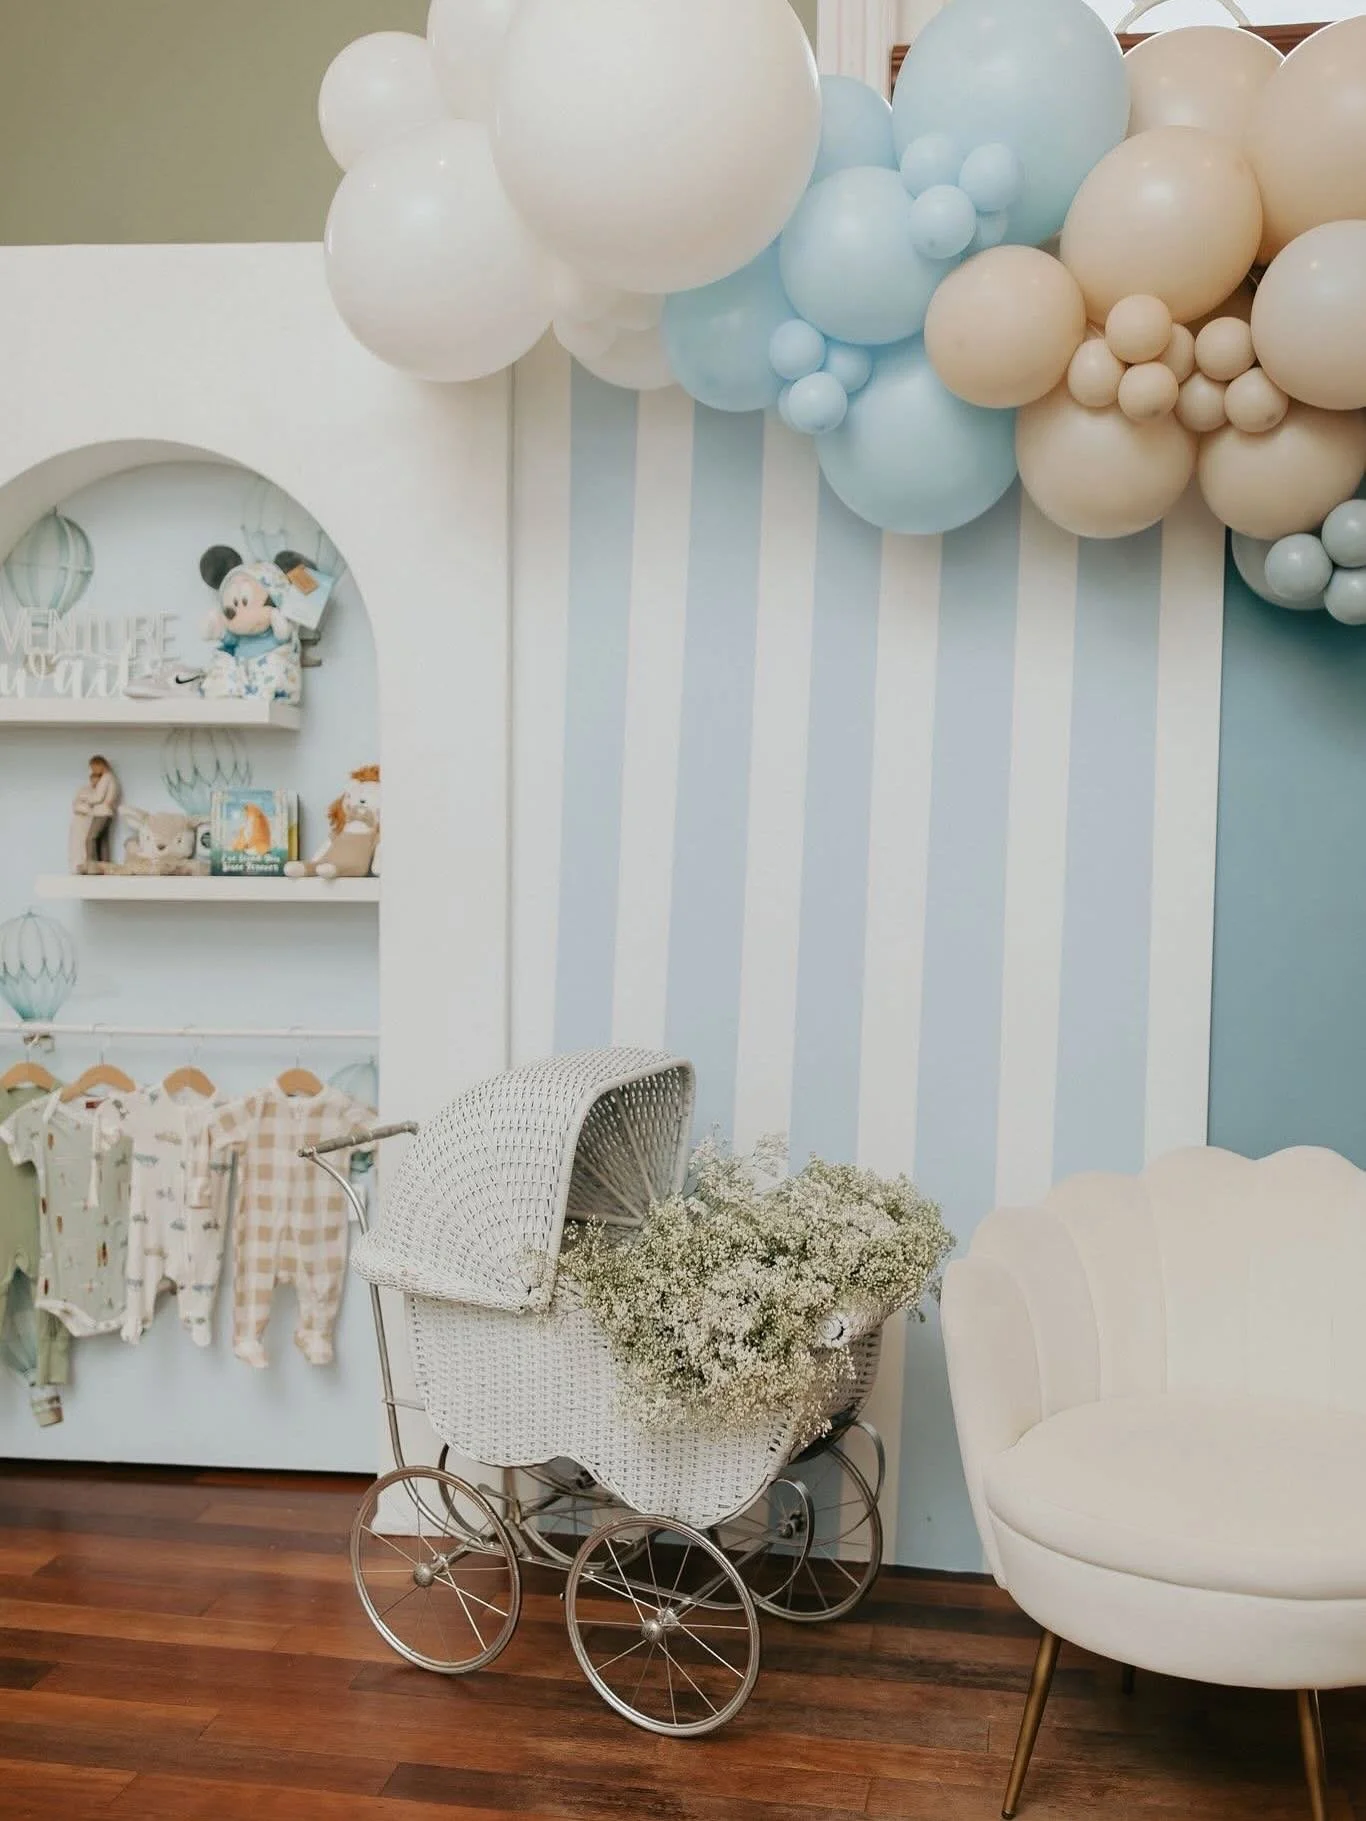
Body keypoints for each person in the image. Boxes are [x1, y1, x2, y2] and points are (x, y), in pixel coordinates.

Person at [68, 754, 120, 873]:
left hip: (101, 812)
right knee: (103, 841)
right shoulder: (112, 778)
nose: (92, 771)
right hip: (108, 813)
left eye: (93, 768)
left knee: (91, 838)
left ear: (99, 765)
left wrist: (86, 798)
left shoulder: (106, 778)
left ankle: (92, 864)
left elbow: (98, 797)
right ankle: (106, 864)